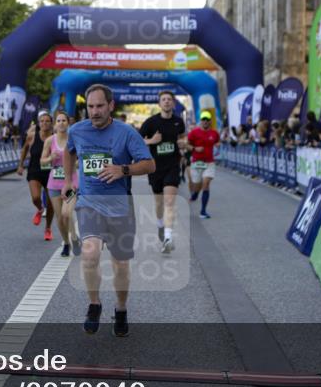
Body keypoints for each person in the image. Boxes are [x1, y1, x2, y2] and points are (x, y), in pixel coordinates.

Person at [62, 84, 154, 337]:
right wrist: (69, 181)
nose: (94, 112)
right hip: (89, 203)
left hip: (119, 206)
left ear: (111, 105)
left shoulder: (126, 133)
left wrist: (122, 170)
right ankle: (94, 304)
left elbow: (149, 164)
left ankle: (121, 308)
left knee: (121, 265)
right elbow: (69, 151)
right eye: (90, 107)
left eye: (100, 106)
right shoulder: (76, 130)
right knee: (89, 254)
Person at [139, 90, 186, 254]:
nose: (166, 102)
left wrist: (182, 143)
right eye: (163, 100)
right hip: (155, 167)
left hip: (173, 165)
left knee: (169, 201)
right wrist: (152, 141)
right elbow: (137, 141)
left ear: (173, 103)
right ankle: (160, 224)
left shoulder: (179, 121)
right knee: (159, 203)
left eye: (169, 100)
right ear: (159, 104)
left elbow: (182, 137)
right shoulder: (151, 122)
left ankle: (168, 237)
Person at [41, 110, 80, 257]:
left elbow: (81, 158)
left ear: (68, 123)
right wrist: (51, 157)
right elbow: (42, 160)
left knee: (66, 213)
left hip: (71, 182)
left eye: (64, 120)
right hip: (54, 184)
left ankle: (75, 238)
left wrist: (74, 164)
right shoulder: (50, 141)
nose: (61, 123)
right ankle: (66, 243)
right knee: (60, 218)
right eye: (58, 121)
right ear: (55, 124)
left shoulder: (74, 139)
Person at [17, 111, 56, 241]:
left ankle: (48, 228)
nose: (44, 123)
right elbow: (24, 150)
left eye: (47, 121)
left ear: (51, 123)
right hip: (34, 170)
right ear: (39, 123)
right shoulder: (32, 136)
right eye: (42, 121)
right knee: (35, 198)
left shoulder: (56, 137)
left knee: (51, 205)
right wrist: (21, 165)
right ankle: (40, 209)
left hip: (51, 173)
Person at [186, 111, 220, 219]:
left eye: (207, 119)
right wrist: (195, 148)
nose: (205, 121)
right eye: (203, 119)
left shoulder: (215, 133)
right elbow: (187, 145)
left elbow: (217, 142)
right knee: (197, 185)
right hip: (197, 163)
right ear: (200, 121)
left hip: (209, 163)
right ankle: (195, 194)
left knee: (206, 183)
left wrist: (218, 145)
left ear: (210, 121)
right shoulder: (194, 133)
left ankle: (203, 211)